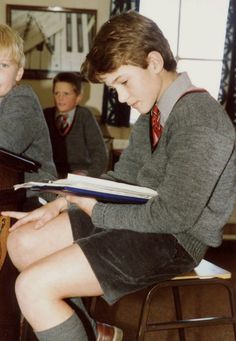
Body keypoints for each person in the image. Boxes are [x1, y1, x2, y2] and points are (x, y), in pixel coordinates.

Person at [2, 11, 236, 341]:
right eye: (114, 89)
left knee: (32, 288)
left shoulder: (200, 120)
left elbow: (174, 216)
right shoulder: (154, 111)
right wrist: (61, 203)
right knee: (22, 242)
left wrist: (95, 211)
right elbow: (123, 177)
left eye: (123, 82)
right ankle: (87, 330)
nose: (122, 97)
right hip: (138, 218)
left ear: (154, 62)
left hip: (175, 239)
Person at [0, 23, 57, 205]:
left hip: (36, 191)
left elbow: (5, 144)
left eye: (3, 65)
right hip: (9, 186)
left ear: (18, 73)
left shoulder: (23, 99)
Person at [43, 71, 108, 178]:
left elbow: (100, 154)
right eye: (56, 93)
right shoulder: (45, 115)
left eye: (66, 94)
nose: (60, 98)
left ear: (78, 98)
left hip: (80, 174)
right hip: (51, 174)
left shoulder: (85, 116)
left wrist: (89, 175)